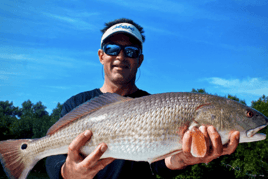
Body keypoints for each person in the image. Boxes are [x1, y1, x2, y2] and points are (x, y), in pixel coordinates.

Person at [46, 18, 240, 179]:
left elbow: (160, 165)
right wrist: (67, 172)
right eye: (112, 49)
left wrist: (184, 159)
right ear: (101, 55)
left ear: (140, 59)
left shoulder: (156, 106)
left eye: (131, 51)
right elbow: (50, 155)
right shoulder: (76, 104)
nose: (121, 56)